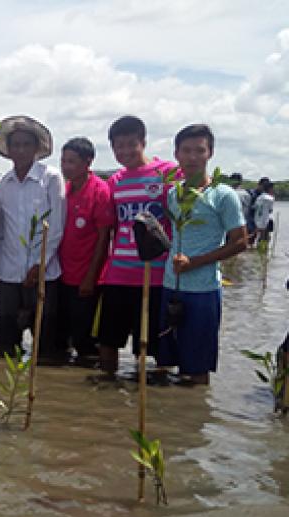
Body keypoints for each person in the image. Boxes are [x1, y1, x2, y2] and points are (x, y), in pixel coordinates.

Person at [158, 124, 246, 385]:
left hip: (203, 291)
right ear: (176, 154)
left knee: (197, 369)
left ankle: (195, 420)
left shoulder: (223, 195)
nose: (192, 157)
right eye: (186, 150)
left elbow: (240, 242)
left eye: (199, 150)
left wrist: (195, 262)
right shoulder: (174, 194)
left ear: (210, 154)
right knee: (167, 364)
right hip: (170, 285)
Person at [95, 116, 175, 380]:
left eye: (132, 145)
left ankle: (154, 394)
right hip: (119, 274)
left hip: (156, 275)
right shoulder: (114, 182)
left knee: (155, 347)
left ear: (143, 142)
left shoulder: (168, 174)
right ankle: (107, 392)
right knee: (108, 342)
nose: (126, 152)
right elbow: (111, 227)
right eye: (119, 146)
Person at [0, 115, 66, 361]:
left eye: (26, 144)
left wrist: (39, 263)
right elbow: (1, 230)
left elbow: (55, 227)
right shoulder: (2, 184)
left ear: (36, 148)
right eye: (16, 145)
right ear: (8, 150)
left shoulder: (51, 179)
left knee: (44, 342)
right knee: (6, 344)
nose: (21, 150)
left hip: (44, 272)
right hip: (9, 271)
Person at [56, 137, 110, 364]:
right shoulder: (64, 191)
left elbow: (104, 238)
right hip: (62, 274)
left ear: (88, 162)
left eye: (72, 162)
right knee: (62, 335)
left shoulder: (100, 192)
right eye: (64, 161)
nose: (66, 167)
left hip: (88, 279)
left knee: (84, 338)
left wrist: (91, 277)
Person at [254, 180, 275, 245]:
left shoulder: (259, 197)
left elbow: (255, 207)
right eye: (272, 188)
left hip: (257, 220)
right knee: (265, 238)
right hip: (265, 220)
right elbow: (270, 210)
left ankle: (258, 251)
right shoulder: (271, 198)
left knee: (258, 237)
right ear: (269, 189)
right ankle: (262, 252)